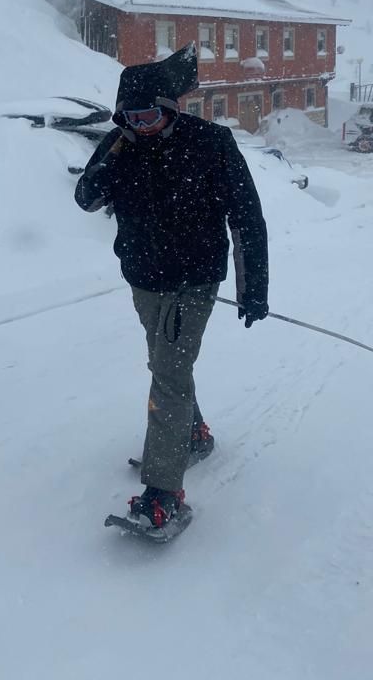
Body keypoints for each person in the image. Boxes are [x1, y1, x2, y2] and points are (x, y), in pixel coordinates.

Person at [74, 44, 268, 531]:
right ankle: (194, 435)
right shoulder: (122, 146)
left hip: (194, 279)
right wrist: (116, 142)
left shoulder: (212, 142)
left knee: (168, 374)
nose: (141, 125)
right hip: (142, 278)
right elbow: (86, 198)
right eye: (130, 117)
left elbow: (247, 219)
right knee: (165, 362)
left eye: (148, 115)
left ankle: (164, 491)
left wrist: (253, 288)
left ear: (169, 108)